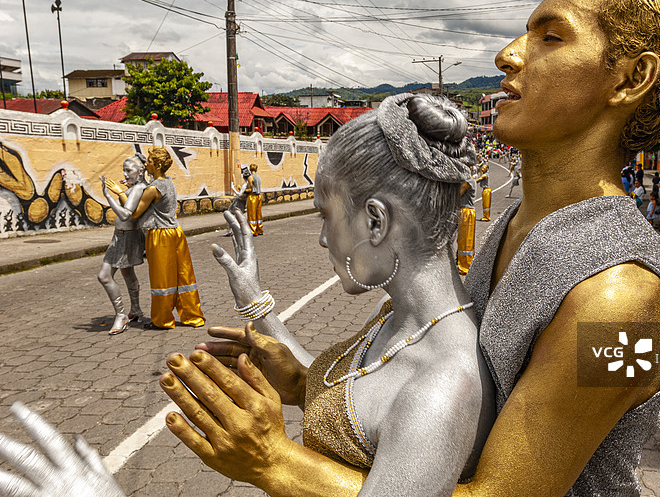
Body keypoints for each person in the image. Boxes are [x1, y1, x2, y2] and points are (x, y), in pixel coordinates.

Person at [0, 0, 660, 494]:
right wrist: (306, 378)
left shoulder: (624, 302)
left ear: (629, 78)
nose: (508, 54)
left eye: (549, 34)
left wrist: (275, 461)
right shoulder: (521, 220)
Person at [164, 94, 495, 495]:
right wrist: (254, 298)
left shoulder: (441, 388)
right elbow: (351, 393)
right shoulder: (395, 315)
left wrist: (270, 459)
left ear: (375, 221)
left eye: (326, 215)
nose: (323, 239)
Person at [105, 148, 206, 329]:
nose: (146, 164)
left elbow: (134, 214)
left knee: (162, 279)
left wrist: (119, 193)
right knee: (183, 277)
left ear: (158, 165)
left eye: (150, 161)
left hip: (160, 235)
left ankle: (162, 320)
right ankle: (192, 315)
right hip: (175, 232)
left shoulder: (153, 189)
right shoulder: (167, 181)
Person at [99, 154, 147, 335]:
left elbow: (126, 215)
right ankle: (135, 309)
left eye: (129, 170)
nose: (125, 174)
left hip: (125, 237)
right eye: (124, 171)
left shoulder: (139, 188)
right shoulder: (136, 187)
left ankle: (121, 315)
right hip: (124, 235)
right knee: (127, 272)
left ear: (140, 171)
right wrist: (125, 190)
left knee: (104, 276)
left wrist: (108, 196)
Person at [457, 171, 478, 275]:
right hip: (468, 212)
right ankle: (466, 262)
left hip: (466, 212)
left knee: (464, 240)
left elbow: (459, 194)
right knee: (466, 239)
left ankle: (465, 265)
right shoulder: (471, 180)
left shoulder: (467, 182)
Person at [245, 162, 263, 236]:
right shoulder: (258, 177)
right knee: (258, 214)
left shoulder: (250, 177)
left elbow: (250, 189)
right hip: (259, 196)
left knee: (252, 214)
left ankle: (253, 230)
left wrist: (242, 189)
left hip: (252, 197)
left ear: (250, 169)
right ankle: (259, 229)